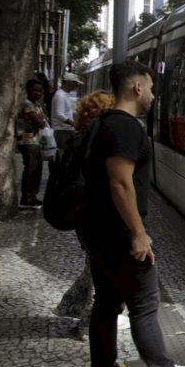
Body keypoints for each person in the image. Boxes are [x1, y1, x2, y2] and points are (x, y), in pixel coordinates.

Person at [80, 60, 185, 367]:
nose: (154, 95)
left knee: (107, 304)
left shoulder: (103, 125)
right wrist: (138, 233)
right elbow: (120, 183)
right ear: (137, 87)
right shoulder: (125, 127)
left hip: (97, 232)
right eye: (152, 88)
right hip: (118, 233)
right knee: (143, 304)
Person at [53, 91, 130, 339]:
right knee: (103, 270)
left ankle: (86, 312)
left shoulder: (79, 140)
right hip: (101, 218)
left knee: (95, 266)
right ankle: (92, 319)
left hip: (84, 219)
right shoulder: (100, 144)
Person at [16, 78, 49, 209]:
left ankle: (32, 196)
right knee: (31, 169)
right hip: (27, 140)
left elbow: (44, 121)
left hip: (36, 141)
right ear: (28, 90)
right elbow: (40, 122)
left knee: (36, 169)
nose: (38, 93)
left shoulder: (37, 105)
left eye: (40, 91)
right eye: (35, 90)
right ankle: (27, 197)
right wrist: (41, 120)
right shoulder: (27, 104)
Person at [51, 72, 83, 151]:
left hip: (66, 130)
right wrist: (73, 123)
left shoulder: (64, 95)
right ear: (68, 82)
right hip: (62, 131)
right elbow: (59, 114)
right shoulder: (60, 95)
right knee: (63, 154)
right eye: (75, 83)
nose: (76, 85)